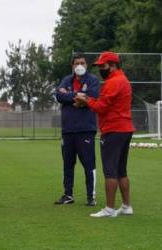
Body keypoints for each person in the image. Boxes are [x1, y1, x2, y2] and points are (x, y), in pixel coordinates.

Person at [75, 51, 135, 217]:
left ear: (113, 65)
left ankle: (109, 209)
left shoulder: (113, 81)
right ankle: (126, 206)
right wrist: (89, 99)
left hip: (113, 129)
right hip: (125, 128)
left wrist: (85, 100)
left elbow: (101, 107)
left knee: (110, 171)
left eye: (103, 65)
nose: (101, 68)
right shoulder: (123, 80)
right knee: (121, 170)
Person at [54, 54, 99, 206]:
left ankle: (90, 196)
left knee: (88, 163)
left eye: (82, 63)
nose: (80, 65)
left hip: (86, 129)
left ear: (86, 65)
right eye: (77, 63)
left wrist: (75, 98)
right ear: (72, 66)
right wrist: (77, 96)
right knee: (68, 164)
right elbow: (59, 95)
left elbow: (92, 97)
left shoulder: (92, 80)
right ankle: (68, 194)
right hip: (67, 130)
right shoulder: (67, 80)